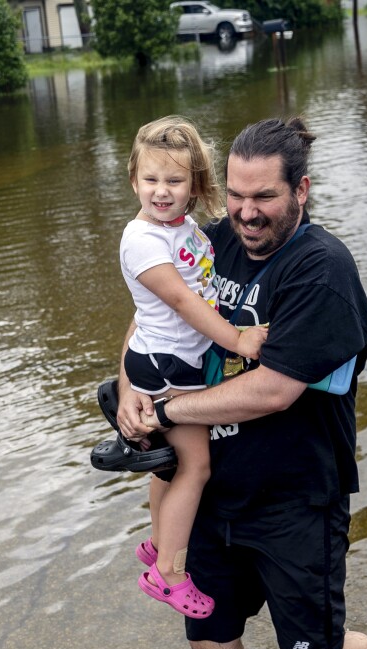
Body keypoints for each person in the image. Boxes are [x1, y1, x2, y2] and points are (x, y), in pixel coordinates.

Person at [117, 117, 367, 649]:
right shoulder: (211, 241)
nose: (245, 214)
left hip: (294, 495)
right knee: (211, 639)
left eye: (263, 198)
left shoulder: (322, 270)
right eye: (234, 195)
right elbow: (154, 312)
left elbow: (272, 391)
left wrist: (166, 407)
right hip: (209, 488)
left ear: (302, 191)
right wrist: (127, 390)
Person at [117, 116, 270, 619]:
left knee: (169, 464)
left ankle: (159, 539)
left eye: (174, 181)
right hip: (166, 366)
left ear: (195, 186)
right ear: (134, 180)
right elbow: (183, 303)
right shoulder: (142, 240)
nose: (161, 191)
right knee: (194, 467)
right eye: (151, 179)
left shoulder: (181, 227)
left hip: (166, 359)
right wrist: (239, 341)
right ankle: (170, 572)